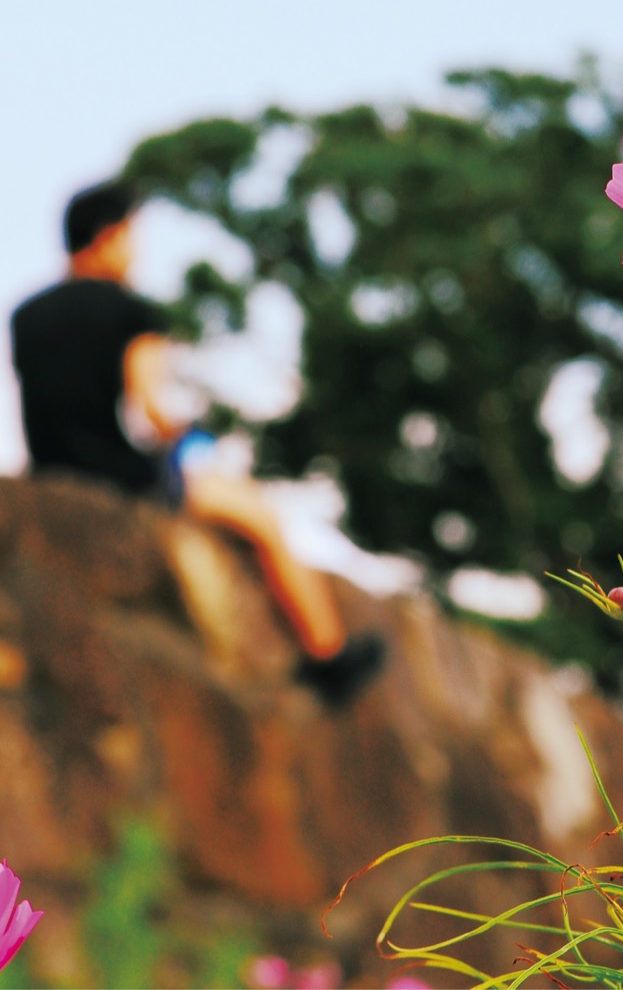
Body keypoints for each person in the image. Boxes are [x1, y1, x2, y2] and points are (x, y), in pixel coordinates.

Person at [11, 181, 385, 707]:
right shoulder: (132, 312)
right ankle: (329, 655)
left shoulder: (26, 315)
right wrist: (189, 436)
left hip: (51, 465)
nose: (135, 250)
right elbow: (152, 408)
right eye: (130, 236)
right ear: (106, 236)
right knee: (261, 517)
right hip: (119, 472)